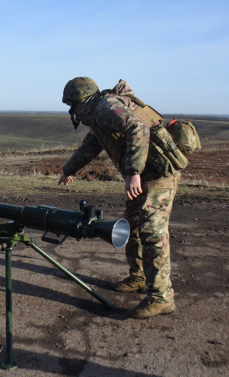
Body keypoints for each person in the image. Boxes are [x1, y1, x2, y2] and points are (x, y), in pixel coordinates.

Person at [58, 77, 180, 319]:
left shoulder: (105, 107)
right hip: (144, 173)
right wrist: (67, 171)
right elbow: (89, 148)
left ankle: (161, 297)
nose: (73, 112)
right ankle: (139, 278)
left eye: (72, 106)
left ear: (82, 102)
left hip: (156, 174)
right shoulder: (98, 118)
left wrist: (133, 172)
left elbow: (138, 127)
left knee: (152, 230)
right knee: (133, 225)